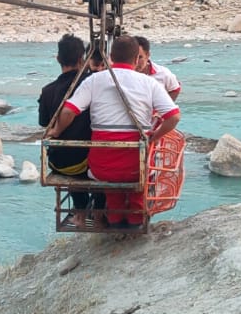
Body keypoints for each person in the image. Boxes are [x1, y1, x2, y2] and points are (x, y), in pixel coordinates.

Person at [48, 36, 180, 230]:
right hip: (136, 164)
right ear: (136, 60)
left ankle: (115, 221)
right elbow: (174, 117)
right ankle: (135, 223)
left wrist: (56, 130)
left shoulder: (94, 80)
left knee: (111, 185)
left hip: (101, 166)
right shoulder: (148, 83)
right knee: (137, 182)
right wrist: (154, 136)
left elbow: (69, 111)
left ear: (110, 57)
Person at [38, 34, 103, 227]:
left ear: (58, 59)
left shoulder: (48, 90)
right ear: (82, 59)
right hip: (88, 162)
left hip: (59, 163)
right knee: (98, 156)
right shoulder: (93, 84)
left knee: (72, 157)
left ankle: (80, 211)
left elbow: (44, 123)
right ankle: (99, 212)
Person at [134, 35, 181, 100]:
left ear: (147, 55)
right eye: (132, 57)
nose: (135, 62)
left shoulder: (163, 74)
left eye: (140, 57)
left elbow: (175, 89)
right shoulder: (122, 74)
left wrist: (164, 106)